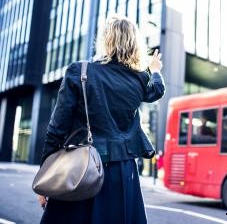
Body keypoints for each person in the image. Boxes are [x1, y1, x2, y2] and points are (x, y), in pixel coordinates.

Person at [37, 15, 165, 224]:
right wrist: (155, 70)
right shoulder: (140, 79)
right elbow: (157, 91)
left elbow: (56, 129)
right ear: (134, 43)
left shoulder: (79, 71)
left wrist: (45, 177)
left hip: (82, 169)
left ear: (106, 40)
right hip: (124, 172)